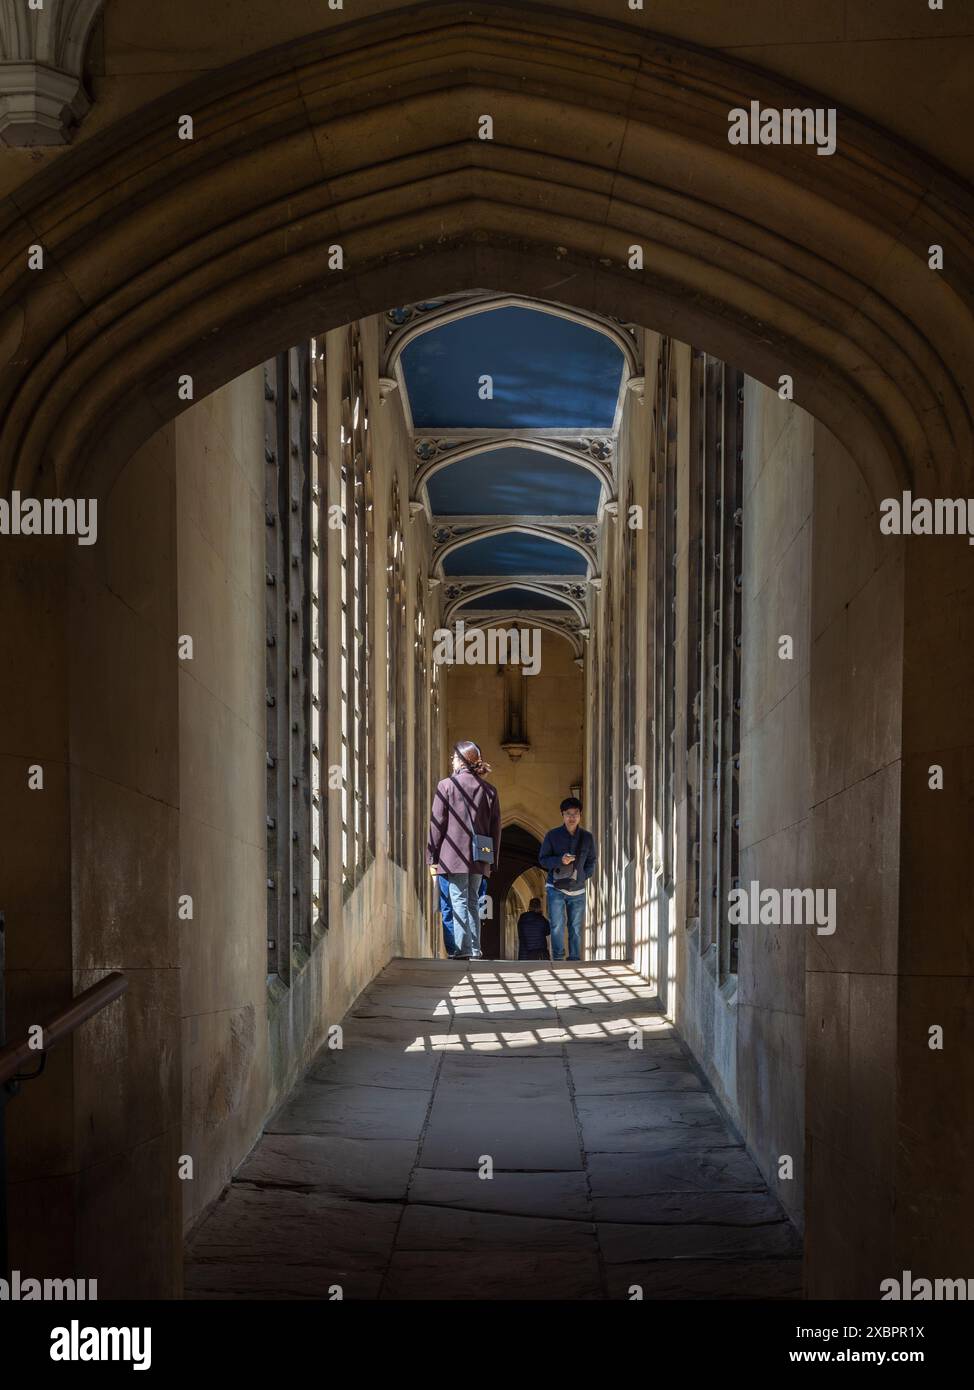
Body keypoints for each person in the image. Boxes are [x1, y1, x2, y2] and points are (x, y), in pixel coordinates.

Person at [427, 740, 501, 960]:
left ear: (461, 760)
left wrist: (432, 855)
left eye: (453, 757)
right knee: (471, 901)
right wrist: (493, 858)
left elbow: (437, 823)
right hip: (480, 855)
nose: (451, 761)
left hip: (453, 855)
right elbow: (495, 827)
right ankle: (475, 947)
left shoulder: (447, 786)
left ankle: (462, 949)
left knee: (458, 899)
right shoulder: (489, 790)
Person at [538, 796, 597, 962]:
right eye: (568, 814)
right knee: (556, 925)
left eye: (575, 814)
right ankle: (557, 958)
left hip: (578, 889)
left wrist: (584, 876)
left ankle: (574, 958)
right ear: (562, 815)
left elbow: (592, 860)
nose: (572, 817)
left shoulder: (587, 837)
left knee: (576, 927)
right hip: (555, 887)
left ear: (580, 815)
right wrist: (560, 860)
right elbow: (543, 859)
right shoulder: (552, 836)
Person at [438, 873, 488, 959]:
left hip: (457, 863)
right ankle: (474, 950)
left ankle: (463, 949)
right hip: (477, 862)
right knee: (473, 902)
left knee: (459, 900)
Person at [517, 896, 551, 961]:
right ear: (539, 907)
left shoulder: (522, 917)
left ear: (529, 906)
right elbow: (548, 931)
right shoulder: (541, 919)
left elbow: (520, 932)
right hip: (540, 953)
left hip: (525, 951)